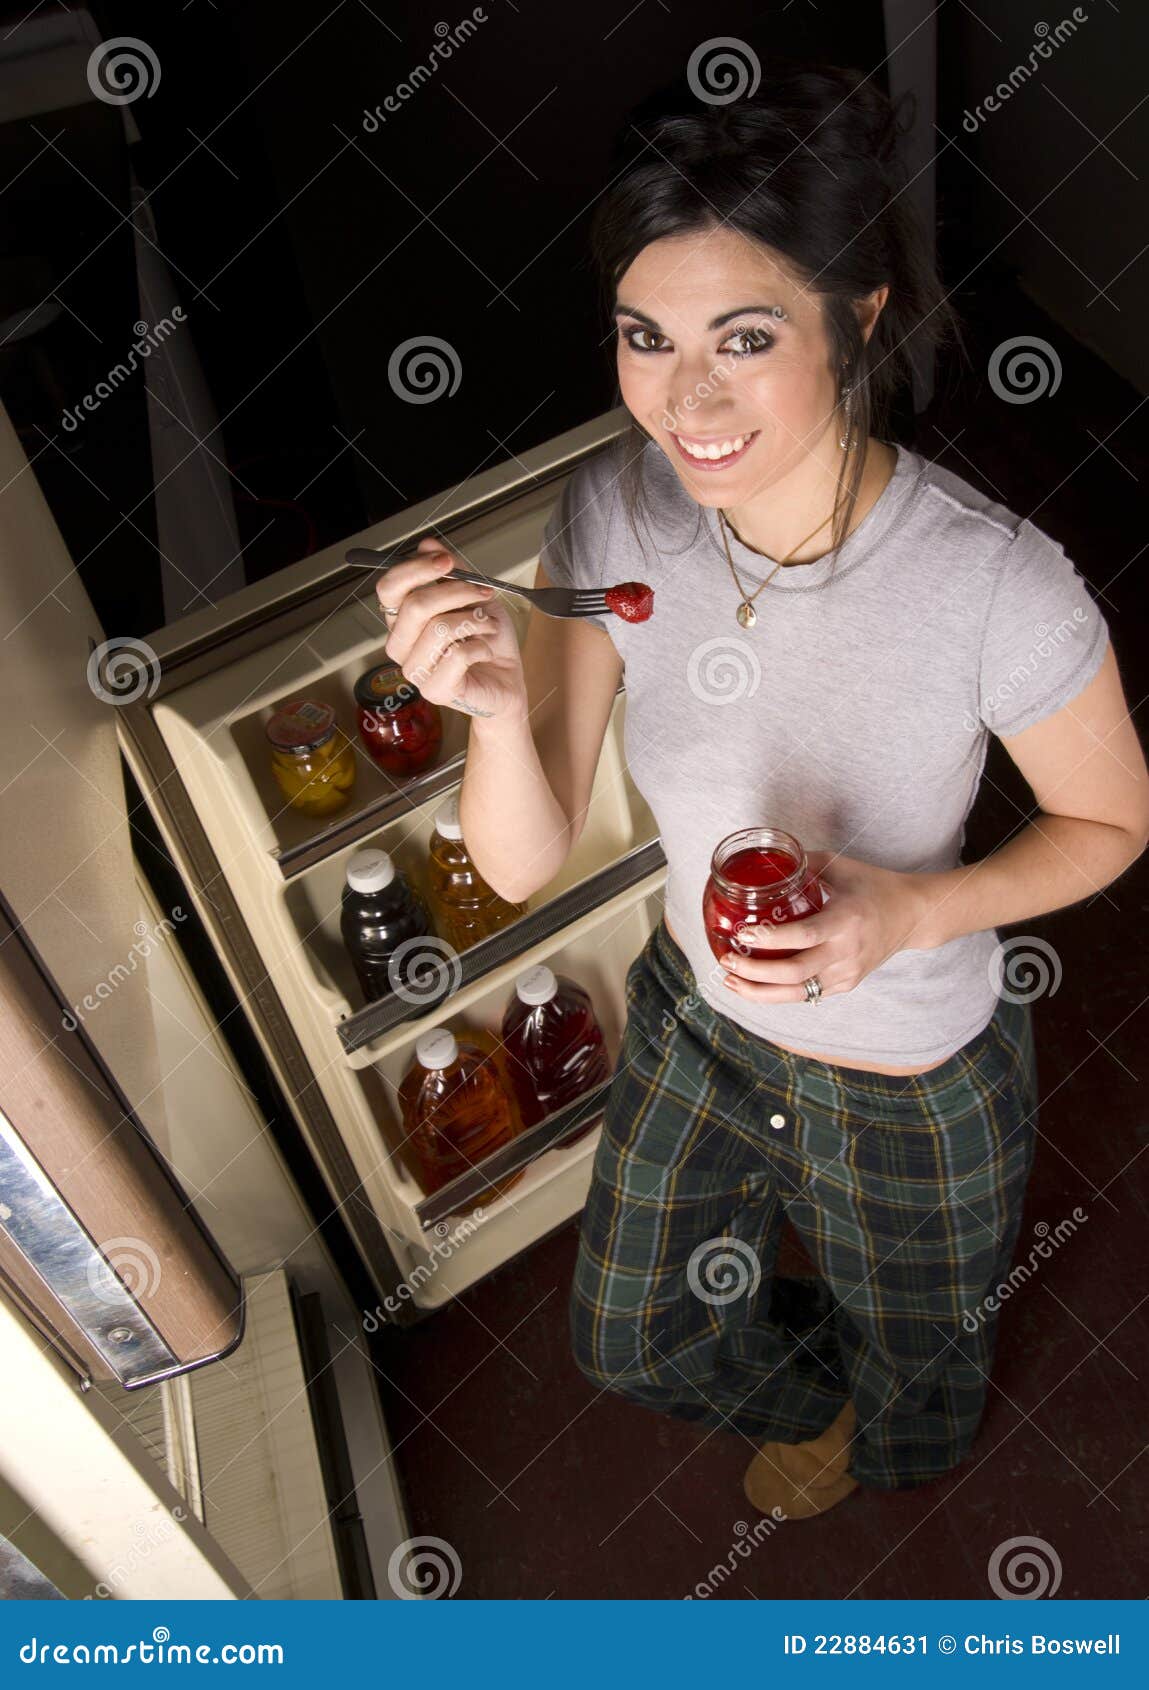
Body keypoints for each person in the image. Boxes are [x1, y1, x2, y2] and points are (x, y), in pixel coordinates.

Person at [374, 67, 1149, 1519]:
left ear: (855, 318)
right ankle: (834, 1394)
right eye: (644, 340)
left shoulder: (998, 583)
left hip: (908, 1066)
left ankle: (894, 1428)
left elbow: (1114, 824)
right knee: (629, 1334)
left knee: (925, 1371)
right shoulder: (612, 511)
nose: (689, 401)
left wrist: (915, 907)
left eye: (745, 338)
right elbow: (522, 860)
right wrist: (488, 713)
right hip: (697, 1018)